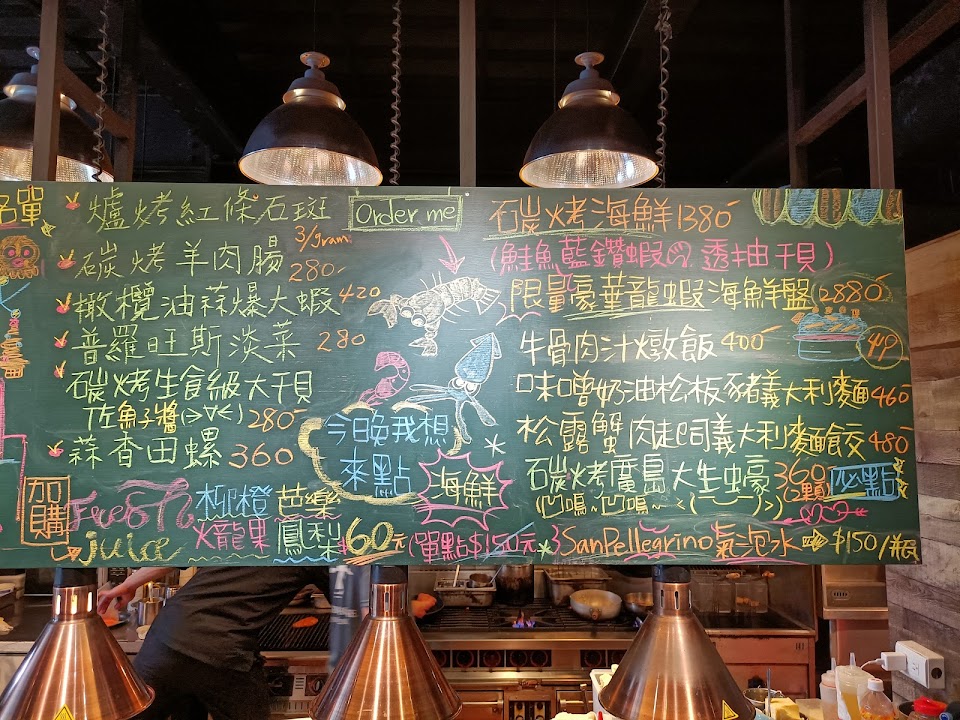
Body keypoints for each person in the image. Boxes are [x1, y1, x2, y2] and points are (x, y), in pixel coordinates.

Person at [98, 565, 329, 720]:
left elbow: (181, 551)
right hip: (222, 651)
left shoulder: (243, 520)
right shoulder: (314, 540)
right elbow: (346, 599)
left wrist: (130, 583)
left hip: (166, 638)